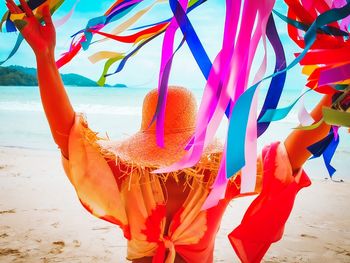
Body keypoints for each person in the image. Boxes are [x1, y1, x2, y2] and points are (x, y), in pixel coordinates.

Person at [5, 0, 334, 262]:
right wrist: (44, 56)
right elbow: (292, 154)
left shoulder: (156, 176)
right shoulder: (215, 176)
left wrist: (338, 94)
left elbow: (68, 136)